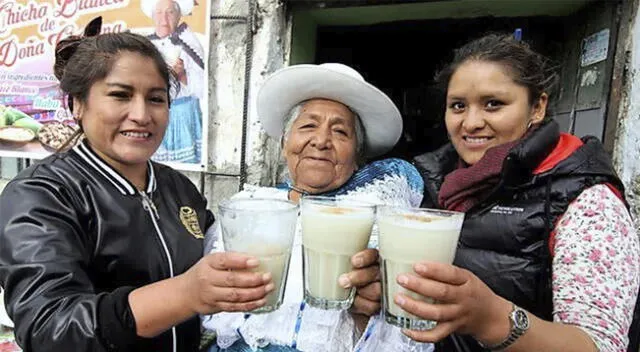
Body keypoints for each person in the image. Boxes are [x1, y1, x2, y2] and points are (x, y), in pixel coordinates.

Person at [0, 18, 273, 352]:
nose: (142, 114)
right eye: (120, 95)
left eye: (156, 99)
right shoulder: (42, 194)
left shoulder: (179, 189)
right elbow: (50, 327)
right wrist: (185, 294)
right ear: (77, 104)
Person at [399, 33, 640, 352]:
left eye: (493, 104)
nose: (470, 123)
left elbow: (599, 345)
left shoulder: (586, 200)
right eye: (458, 106)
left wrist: (491, 318)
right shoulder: (436, 182)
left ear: (537, 107)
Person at [202, 63, 432, 352]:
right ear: (285, 142)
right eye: (308, 126)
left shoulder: (380, 219)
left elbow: (408, 331)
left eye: (340, 132)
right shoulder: (246, 208)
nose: (321, 141)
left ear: (357, 154)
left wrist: (367, 310)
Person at [142, 0, 205, 163]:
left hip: (183, 115)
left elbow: (203, 88)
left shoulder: (190, 43)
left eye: (170, 12)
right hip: (154, 115)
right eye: (159, 12)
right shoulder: (144, 45)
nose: (164, 18)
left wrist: (182, 75)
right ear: (153, 16)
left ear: (179, 16)